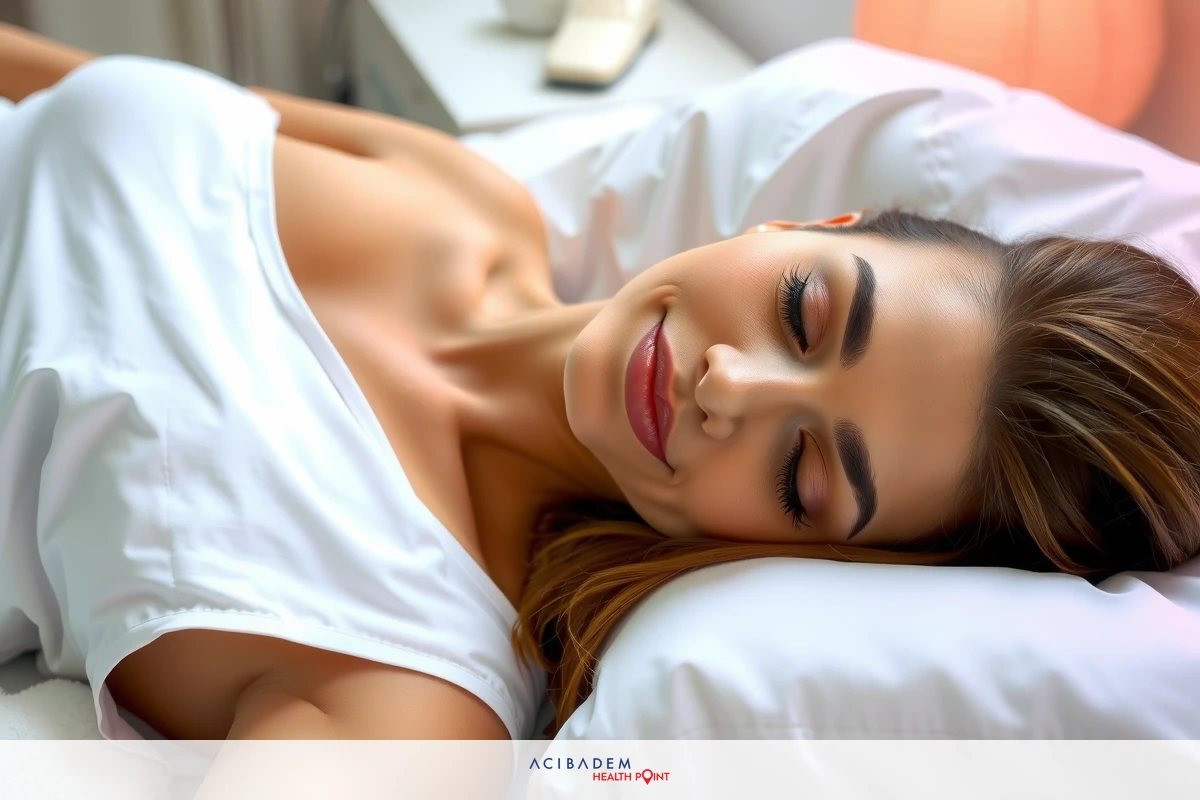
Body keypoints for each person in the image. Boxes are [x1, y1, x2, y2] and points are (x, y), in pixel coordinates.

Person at [2, 23, 1199, 744]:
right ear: (805, 222)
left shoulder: (408, 686)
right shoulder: (469, 199)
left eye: (802, 469)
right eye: (806, 308)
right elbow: (55, 87)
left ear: (812, 558)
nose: (730, 386)